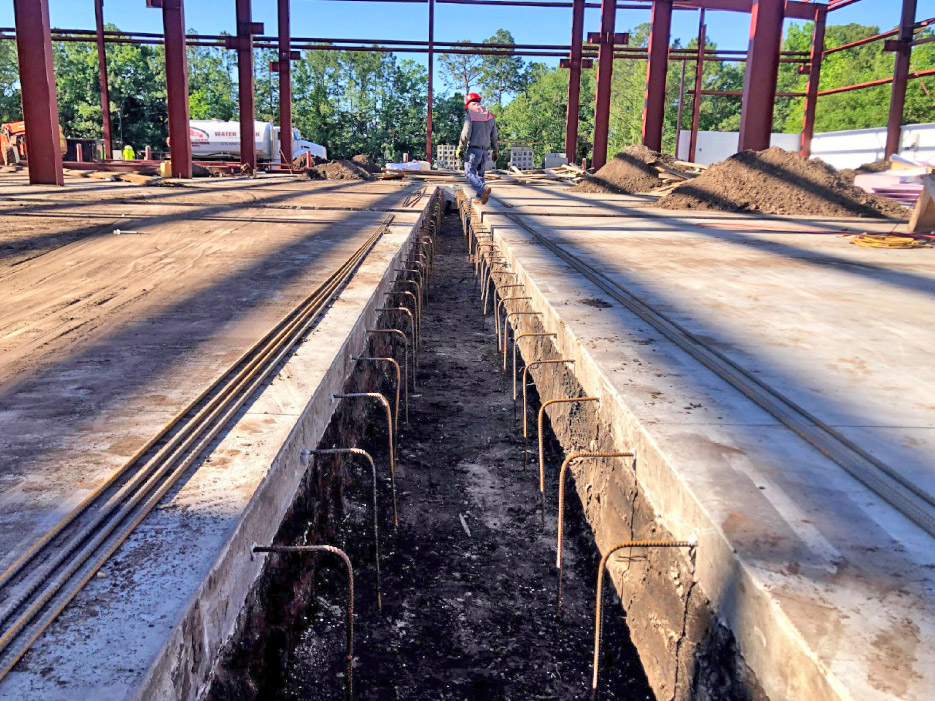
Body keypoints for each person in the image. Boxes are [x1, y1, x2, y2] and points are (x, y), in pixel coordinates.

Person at [456, 92, 498, 205]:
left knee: (469, 172)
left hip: (474, 150)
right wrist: (495, 151)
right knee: (480, 174)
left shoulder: (471, 114)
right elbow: (494, 136)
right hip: (485, 150)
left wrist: (461, 147)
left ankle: (482, 189)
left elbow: (466, 133)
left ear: (469, 103)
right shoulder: (490, 115)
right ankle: (481, 198)